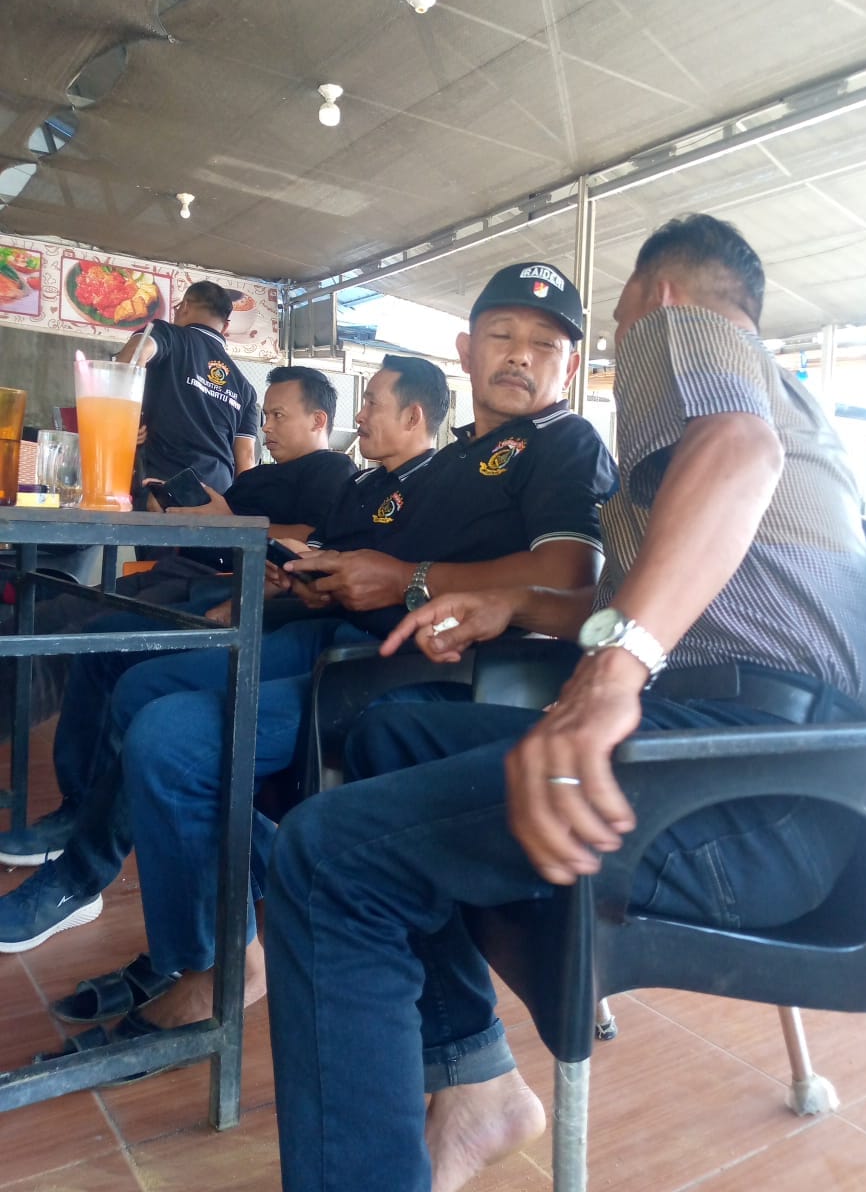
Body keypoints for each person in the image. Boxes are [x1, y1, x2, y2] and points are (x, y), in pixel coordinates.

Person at [264, 215, 866, 1192]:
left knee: (324, 855)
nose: (616, 343)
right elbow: (611, 597)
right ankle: (474, 1078)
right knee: (394, 732)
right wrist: (512, 604)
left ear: (654, 299)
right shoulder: (781, 407)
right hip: (802, 786)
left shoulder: (685, 337)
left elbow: (738, 451)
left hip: (745, 786)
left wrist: (613, 674)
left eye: (610, 325)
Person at [32, 265, 616, 1056]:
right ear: (465, 349)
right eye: (502, 335)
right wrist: (326, 578)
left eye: (545, 344)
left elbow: (568, 577)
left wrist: (406, 580)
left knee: (171, 739)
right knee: (144, 688)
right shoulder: (451, 460)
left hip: (427, 674)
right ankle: (219, 923)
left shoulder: (564, 442)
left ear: (571, 367)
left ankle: (211, 963)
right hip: (347, 638)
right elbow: (380, 562)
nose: (520, 354)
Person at [0, 355, 445, 952]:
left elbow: (388, 581)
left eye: (371, 404)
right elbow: (319, 554)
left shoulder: (422, 484)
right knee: (118, 663)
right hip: (291, 613)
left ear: (413, 416)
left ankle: (100, 883)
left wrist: (257, 579)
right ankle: (119, 842)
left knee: (157, 719)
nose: (358, 416)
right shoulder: (364, 485)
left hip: (346, 651)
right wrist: (290, 572)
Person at [118, 280, 260, 497]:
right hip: (216, 497)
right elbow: (246, 458)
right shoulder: (245, 388)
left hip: (161, 491)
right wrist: (236, 509)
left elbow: (132, 357)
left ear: (184, 307)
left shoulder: (167, 334)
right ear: (226, 327)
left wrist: (125, 419)